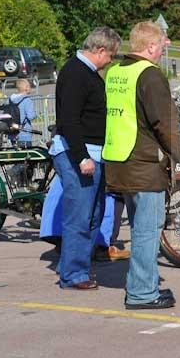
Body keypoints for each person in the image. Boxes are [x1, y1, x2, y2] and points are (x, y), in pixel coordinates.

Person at [103, 21, 180, 310]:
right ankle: (142, 293)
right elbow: (164, 121)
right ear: (150, 46)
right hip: (145, 163)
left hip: (120, 160)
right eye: (161, 45)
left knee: (139, 228)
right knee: (148, 230)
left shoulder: (115, 72)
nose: (163, 50)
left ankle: (141, 286)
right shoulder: (150, 75)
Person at [49, 26, 121, 290]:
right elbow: (69, 119)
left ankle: (73, 265)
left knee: (92, 214)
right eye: (111, 55)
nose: (111, 60)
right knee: (80, 217)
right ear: (100, 50)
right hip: (78, 153)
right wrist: (81, 157)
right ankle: (73, 274)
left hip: (90, 153)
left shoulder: (85, 73)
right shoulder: (77, 73)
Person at [10, 79, 37, 148]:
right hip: (24, 133)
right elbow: (31, 116)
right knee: (25, 156)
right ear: (26, 88)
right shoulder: (27, 100)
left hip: (12, 133)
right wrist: (35, 114)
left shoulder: (10, 100)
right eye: (29, 86)